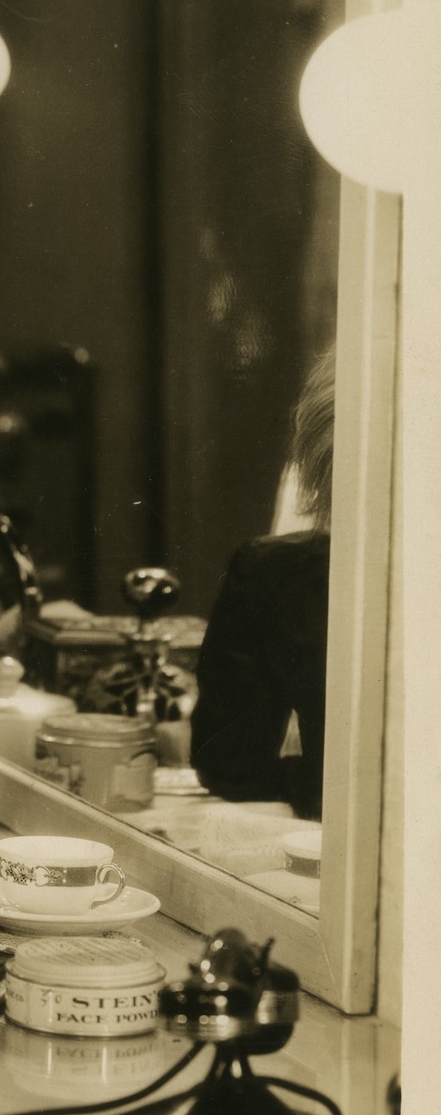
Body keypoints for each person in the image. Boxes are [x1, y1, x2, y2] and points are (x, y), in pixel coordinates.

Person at [192, 348, 335, 820]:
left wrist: (320, 781)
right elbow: (231, 767)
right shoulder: (276, 573)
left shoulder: (278, 573)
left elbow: (233, 769)